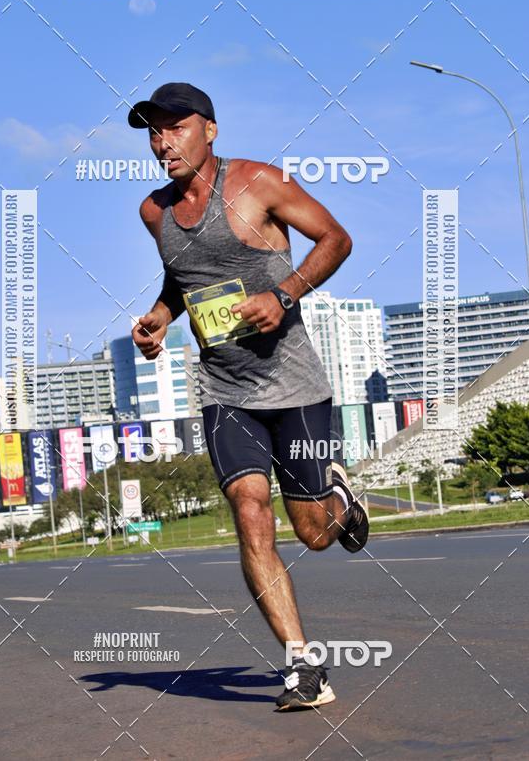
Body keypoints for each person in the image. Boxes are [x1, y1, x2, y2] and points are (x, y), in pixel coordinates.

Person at [130, 83, 369, 710]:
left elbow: (336, 239)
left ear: (209, 129)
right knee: (249, 509)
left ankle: (339, 498)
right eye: (153, 131)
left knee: (314, 534)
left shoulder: (259, 182)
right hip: (224, 389)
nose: (163, 142)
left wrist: (283, 295)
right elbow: (183, 275)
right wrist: (160, 315)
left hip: (295, 385)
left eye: (175, 127)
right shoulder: (154, 212)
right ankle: (302, 666)